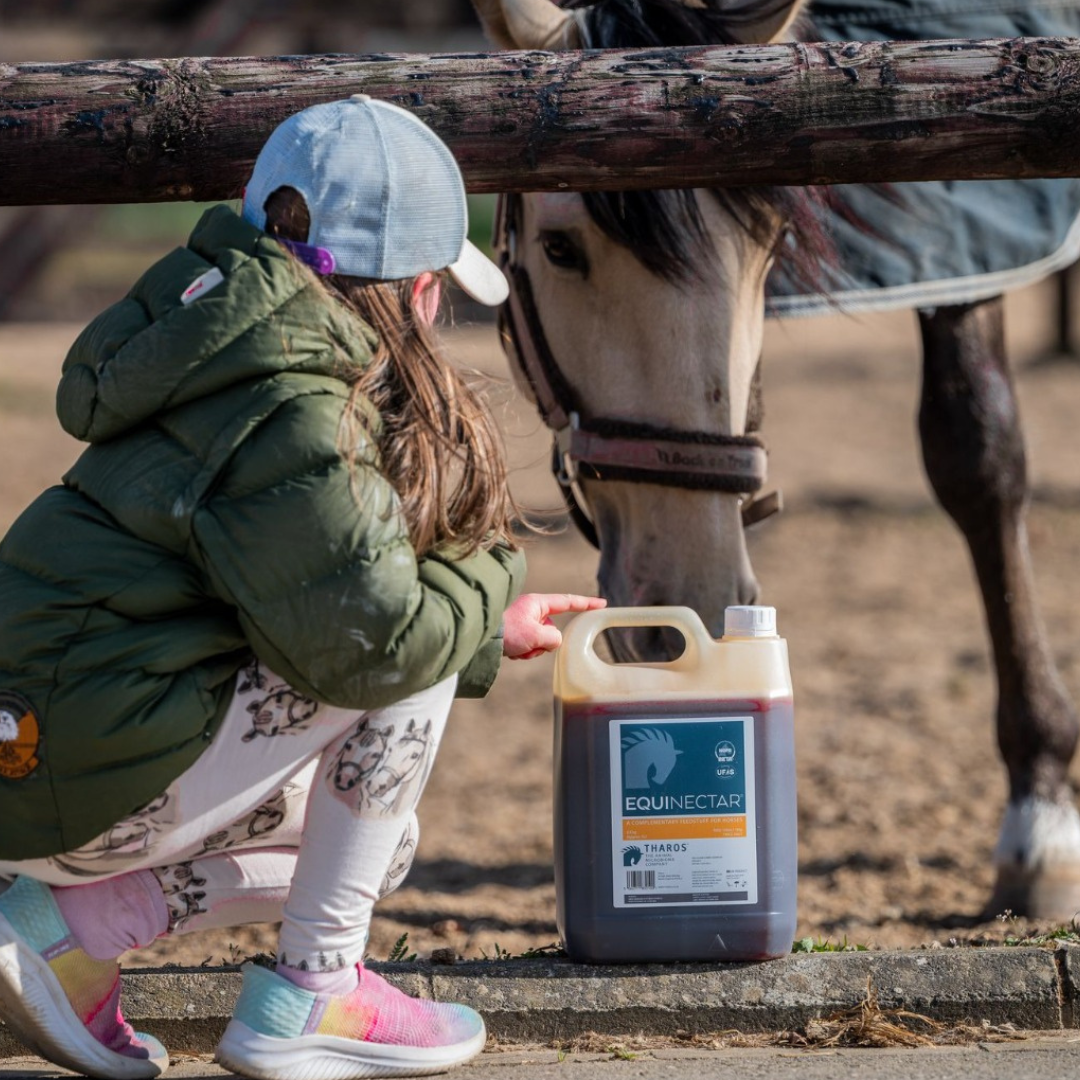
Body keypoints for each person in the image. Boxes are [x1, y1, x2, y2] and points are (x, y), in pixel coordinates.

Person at [0, 95, 604, 1080]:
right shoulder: (301, 405)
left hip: (42, 756)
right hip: (77, 772)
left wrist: (489, 630)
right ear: (415, 293)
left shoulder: (221, 347)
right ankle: (316, 990)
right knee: (399, 667)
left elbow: (283, 593)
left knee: (374, 838)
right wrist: (489, 573)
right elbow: (372, 645)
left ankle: (69, 932)